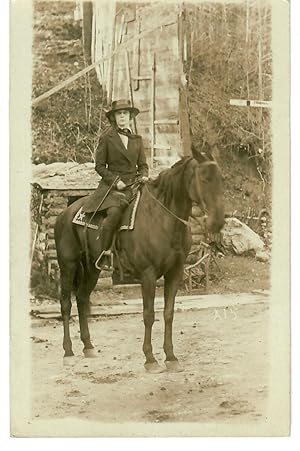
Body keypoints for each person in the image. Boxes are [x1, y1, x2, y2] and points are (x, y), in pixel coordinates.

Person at [83, 99, 149, 269]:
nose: (122, 117)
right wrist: (115, 181)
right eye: (119, 114)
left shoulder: (137, 139)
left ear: (130, 117)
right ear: (114, 117)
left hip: (135, 184)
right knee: (114, 212)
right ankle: (106, 253)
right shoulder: (107, 138)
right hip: (114, 188)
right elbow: (99, 166)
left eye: (125, 113)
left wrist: (144, 175)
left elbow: (143, 165)